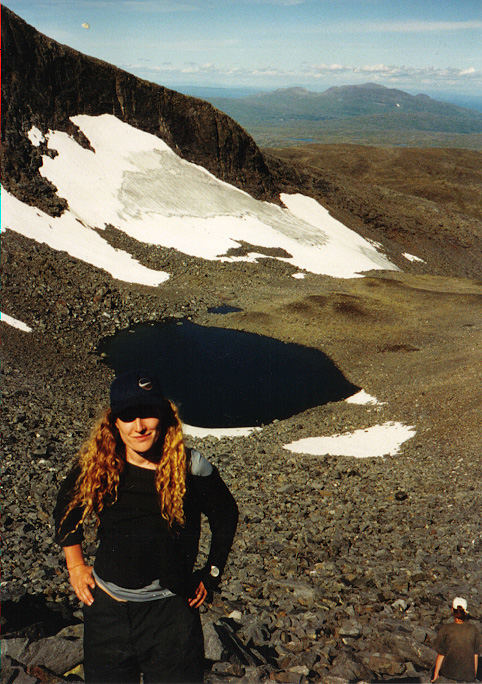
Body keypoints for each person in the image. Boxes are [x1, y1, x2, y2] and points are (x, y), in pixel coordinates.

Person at [54, 369, 238, 683]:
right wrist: (75, 566)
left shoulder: (190, 467)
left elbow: (226, 515)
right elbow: (66, 511)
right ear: (114, 421)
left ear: (163, 415)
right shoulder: (98, 464)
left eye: (147, 414)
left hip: (170, 616)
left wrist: (212, 573)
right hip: (108, 613)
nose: (139, 426)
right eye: (128, 416)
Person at [431, 597, 480, 682]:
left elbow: (441, 654)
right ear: (466, 612)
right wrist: (474, 675)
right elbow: (475, 655)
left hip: (448, 674)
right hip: (467, 676)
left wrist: (436, 674)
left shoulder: (446, 629)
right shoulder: (474, 630)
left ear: (452, 610)